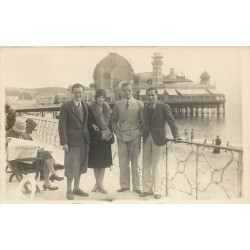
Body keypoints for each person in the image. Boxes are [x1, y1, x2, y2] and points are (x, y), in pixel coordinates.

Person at [140, 87, 180, 199]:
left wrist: (176, 135)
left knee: (157, 165)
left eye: (153, 95)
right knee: (146, 164)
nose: (150, 97)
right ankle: (147, 190)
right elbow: (144, 122)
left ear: (157, 95)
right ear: (146, 96)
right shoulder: (145, 107)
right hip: (147, 137)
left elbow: (171, 121)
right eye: (148, 95)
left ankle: (158, 191)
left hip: (159, 138)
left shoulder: (164, 107)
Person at [6, 118, 62, 191]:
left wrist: (36, 148)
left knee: (46, 155)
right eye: (20, 131)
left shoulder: (17, 134)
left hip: (24, 158)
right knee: (46, 157)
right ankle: (51, 177)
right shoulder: (10, 136)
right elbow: (18, 149)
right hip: (21, 161)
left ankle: (51, 176)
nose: (22, 132)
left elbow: (27, 146)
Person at [58, 83, 90, 200]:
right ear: (72, 93)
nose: (78, 94)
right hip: (72, 142)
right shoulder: (66, 106)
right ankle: (69, 190)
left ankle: (76, 188)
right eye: (76, 92)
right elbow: (62, 125)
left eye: (80, 92)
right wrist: (64, 142)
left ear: (83, 93)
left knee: (80, 166)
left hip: (84, 141)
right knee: (71, 166)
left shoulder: (85, 106)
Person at [111, 82, 144, 194]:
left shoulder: (139, 104)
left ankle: (137, 186)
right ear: (122, 91)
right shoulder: (117, 104)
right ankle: (124, 185)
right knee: (123, 162)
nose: (127, 92)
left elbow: (144, 122)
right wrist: (116, 131)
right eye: (125, 90)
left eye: (129, 90)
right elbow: (114, 120)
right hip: (121, 137)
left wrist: (139, 132)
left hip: (134, 137)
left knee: (135, 162)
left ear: (132, 91)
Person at [88, 89, 114, 194]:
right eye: (99, 97)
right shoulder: (90, 107)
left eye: (103, 97)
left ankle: (99, 184)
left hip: (105, 139)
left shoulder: (107, 107)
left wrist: (110, 134)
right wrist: (100, 135)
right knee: (95, 163)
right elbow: (89, 124)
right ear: (96, 97)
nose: (101, 99)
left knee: (103, 163)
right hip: (96, 138)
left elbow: (110, 124)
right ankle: (99, 184)